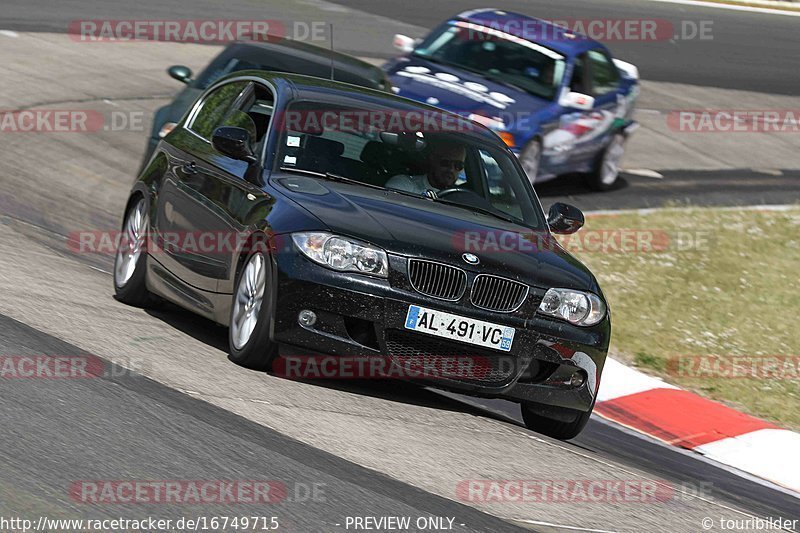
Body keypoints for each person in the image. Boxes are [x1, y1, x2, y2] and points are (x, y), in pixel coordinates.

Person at [385, 140, 466, 195]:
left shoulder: (462, 199)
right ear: (433, 159)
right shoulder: (403, 185)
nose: (451, 169)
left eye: (458, 165)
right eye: (446, 162)